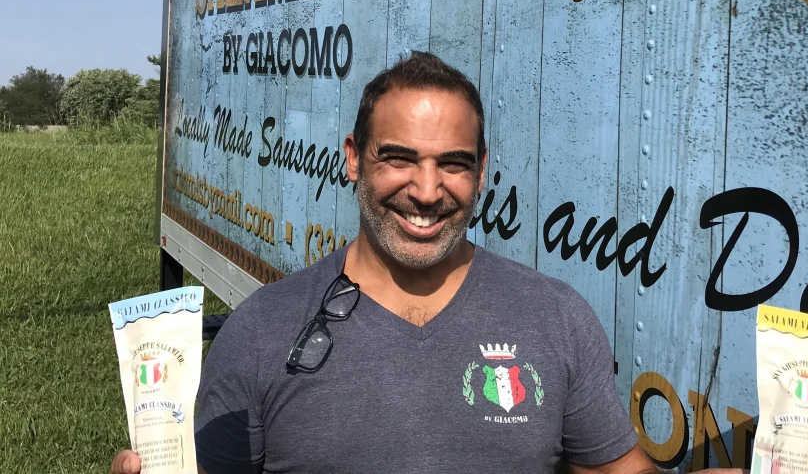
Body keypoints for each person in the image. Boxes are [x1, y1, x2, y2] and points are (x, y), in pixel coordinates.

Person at [112, 52, 742, 474]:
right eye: (399, 158)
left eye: (453, 164)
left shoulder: (555, 317)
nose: (426, 190)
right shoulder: (261, 330)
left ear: (482, 170)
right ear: (353, 158)